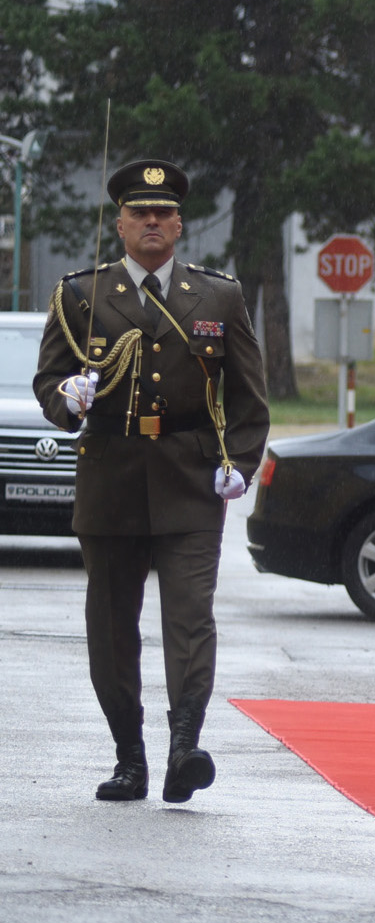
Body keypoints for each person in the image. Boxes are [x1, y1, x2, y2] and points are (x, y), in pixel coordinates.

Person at [35, 157, 270, 803]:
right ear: (120, 223)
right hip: (110, 476)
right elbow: (48, 381)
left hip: (190, 479)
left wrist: (239, 464)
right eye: (139, 212)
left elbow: (249, 395)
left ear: (180, 225)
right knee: (112, 626)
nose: (152, 222)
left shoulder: (218, 296)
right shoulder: (81, 295)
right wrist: (67, 397)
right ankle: (130, 757)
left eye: (163, 213)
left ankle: (185, 746)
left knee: (190, 618)